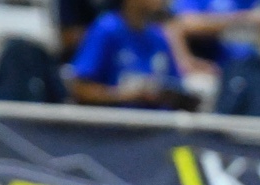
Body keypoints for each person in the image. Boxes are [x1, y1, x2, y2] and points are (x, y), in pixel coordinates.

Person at [66, 0, 195, 108]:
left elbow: (177, 86)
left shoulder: (159, 38)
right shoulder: (107, 30)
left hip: (158, 125)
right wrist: (126, 95)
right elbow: (79, 88)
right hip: (116, 125)